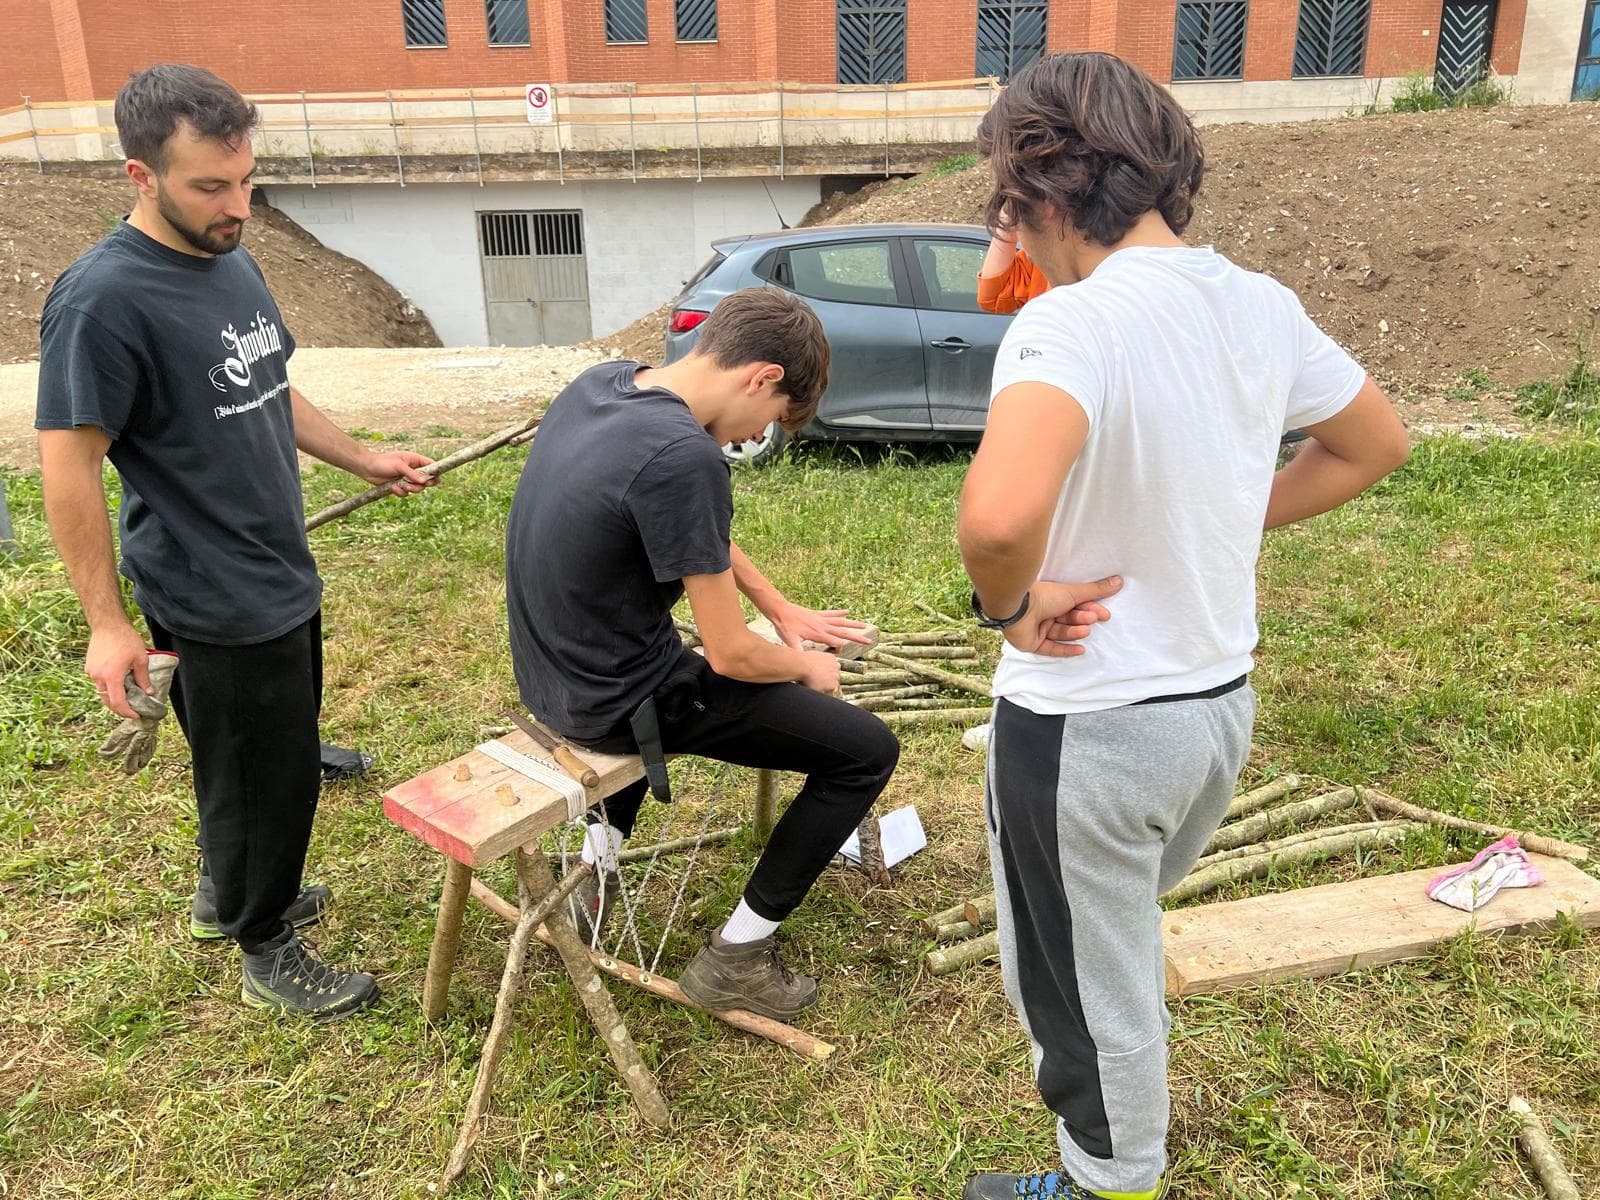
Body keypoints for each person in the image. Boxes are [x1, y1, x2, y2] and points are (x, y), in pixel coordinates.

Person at [956, 53, 1410, 1200]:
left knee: (1073, 988)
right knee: (1116, 942)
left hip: (1086, 730)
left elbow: (999, 519)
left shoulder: (1072, 325)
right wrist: (1217, 506)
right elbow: (1374, 444)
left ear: (1032, 186)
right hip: (1213, 713)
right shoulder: (1256, 302)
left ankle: (1110, 1178)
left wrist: (1008, 611)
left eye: (1003, 200)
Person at [36, 64, 438, 1021]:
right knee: (270, 773)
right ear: (142, 177)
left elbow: (272, 382)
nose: (237, 206)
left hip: (275, 564)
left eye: (246, 180)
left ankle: (231, 896)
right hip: (213, 587)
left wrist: (363, 458)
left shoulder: (232, 258)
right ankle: (266, 940)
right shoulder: (104, 302)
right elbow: (68, 465)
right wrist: (105, 623)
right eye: (209, 187)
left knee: (254, 756)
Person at [504, 287, 900, 1022]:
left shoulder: (605, 386)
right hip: (613, 703)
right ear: (762, 378)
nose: (749, 441)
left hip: (549, 676)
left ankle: (594, 872)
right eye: (767, 424)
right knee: (865, 751)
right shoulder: (686, 456)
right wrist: (806, 664)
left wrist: (780, 608)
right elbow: (731, 656)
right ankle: (738, 959)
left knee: (660, 652)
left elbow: (686, 529)